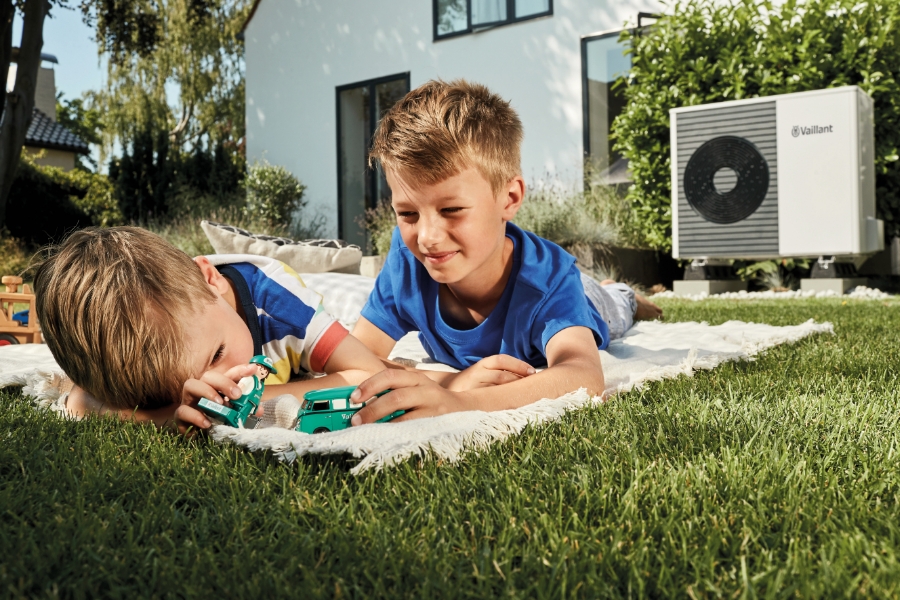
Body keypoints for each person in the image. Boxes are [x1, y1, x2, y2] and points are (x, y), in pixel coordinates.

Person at [349, 79, 662, 425]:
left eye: (451, 210)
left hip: (586, 299)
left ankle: (624, 294)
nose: (427, 238)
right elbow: (353, 357)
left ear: (509, 199)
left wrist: (458, 401)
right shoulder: (407, 263)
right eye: (408, 214)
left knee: (612, 307)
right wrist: (452, 380)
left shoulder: (550, 278)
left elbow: (583, 375)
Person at [33, 226, 387, 434]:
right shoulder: (122, 352)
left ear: (209, 280)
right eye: (169, 392)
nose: (221, 381)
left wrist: (221, 408)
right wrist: (167, 413)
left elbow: (369, 373)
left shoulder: (281, 303)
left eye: (217, 354)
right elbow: (80, 401)